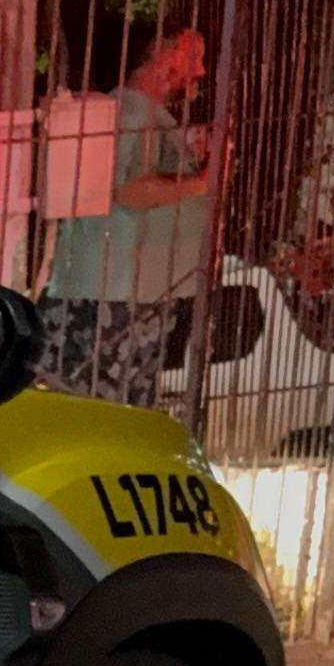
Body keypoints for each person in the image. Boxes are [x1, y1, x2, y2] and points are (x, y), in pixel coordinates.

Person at [42, 26, 216, 410]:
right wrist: (203, 182)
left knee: (111, 406)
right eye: (194, 56)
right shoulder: (135, 112)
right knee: (105, 409)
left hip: (128, 293)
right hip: (117, 297)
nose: (201, 71)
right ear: (164, 54)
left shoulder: (140, 114)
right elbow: (128, 191)